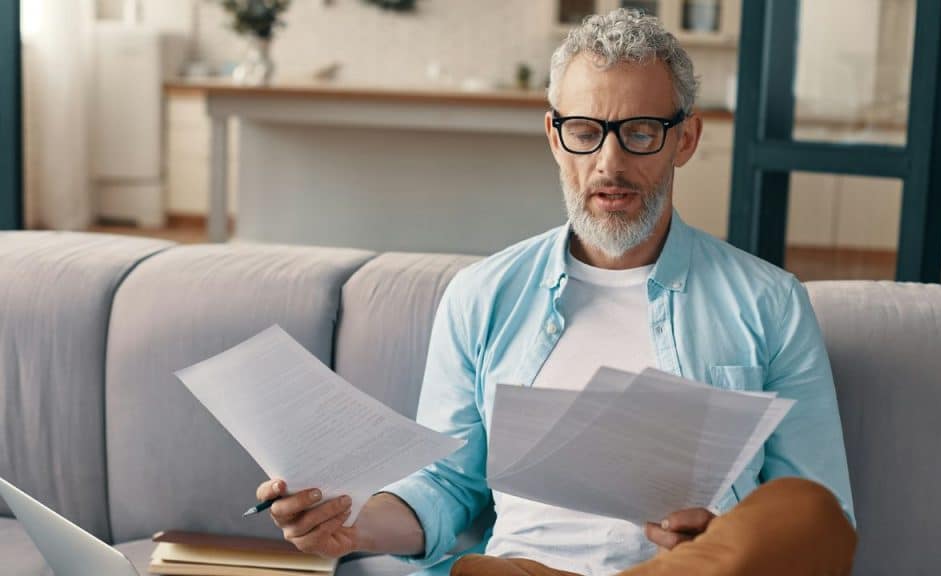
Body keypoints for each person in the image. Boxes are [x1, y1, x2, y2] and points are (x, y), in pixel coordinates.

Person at [255, 8, 857, 576]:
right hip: (524, 571)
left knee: (806, 509)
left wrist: (717, 533)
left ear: (686, 139)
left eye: (641, 132)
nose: (609, 162)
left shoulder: (770, 302)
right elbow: (446, 488)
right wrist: (352, 525)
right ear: (553, 135)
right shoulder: (483, 295)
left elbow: (820, 519)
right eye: (585, 131)